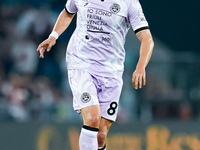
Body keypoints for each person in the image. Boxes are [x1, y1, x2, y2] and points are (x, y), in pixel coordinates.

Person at [37, 0, 154, 149]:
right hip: (81, 63)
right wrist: (53, 36)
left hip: (111, 71)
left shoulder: (129, 3)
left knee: (100, 136)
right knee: (92, 118)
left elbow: (147, 38)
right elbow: (68, 12)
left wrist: (140, 66)